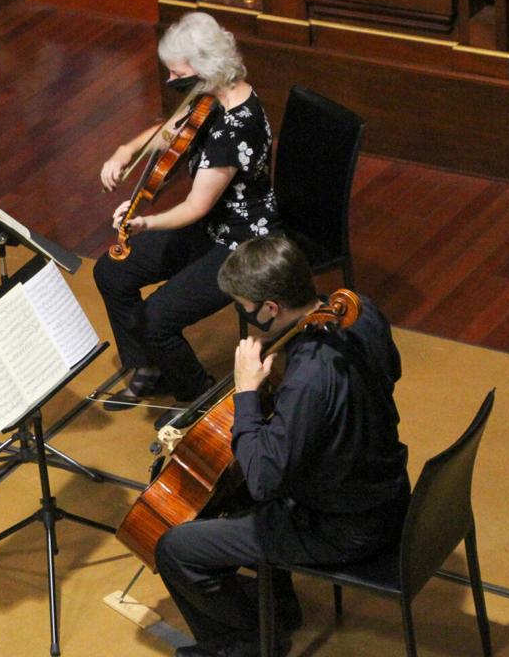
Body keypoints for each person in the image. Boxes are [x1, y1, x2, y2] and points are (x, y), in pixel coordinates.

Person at [154, 235, 410, 657]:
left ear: (270, 308)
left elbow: (263, 480)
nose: (243, 314)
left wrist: (248, 394)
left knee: (177, 549)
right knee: (227, 493)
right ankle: (279, 607)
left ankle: (249, 644)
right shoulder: (359, 310)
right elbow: (391, 372)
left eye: (243, 307)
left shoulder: (308, 377)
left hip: (346, 527)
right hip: (387, 490)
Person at [94, 11, 280, 418]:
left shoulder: (236, 128)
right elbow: (168, 131)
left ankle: (199, 397)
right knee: (111, 271)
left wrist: (144, 221)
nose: (171, 81)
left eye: (176, 72)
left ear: (204, 66)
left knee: (157, 315)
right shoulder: (209, 93)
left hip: (238, 241)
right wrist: (127, 150)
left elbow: (196, 206)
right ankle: (147, 362)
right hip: (209, 227)